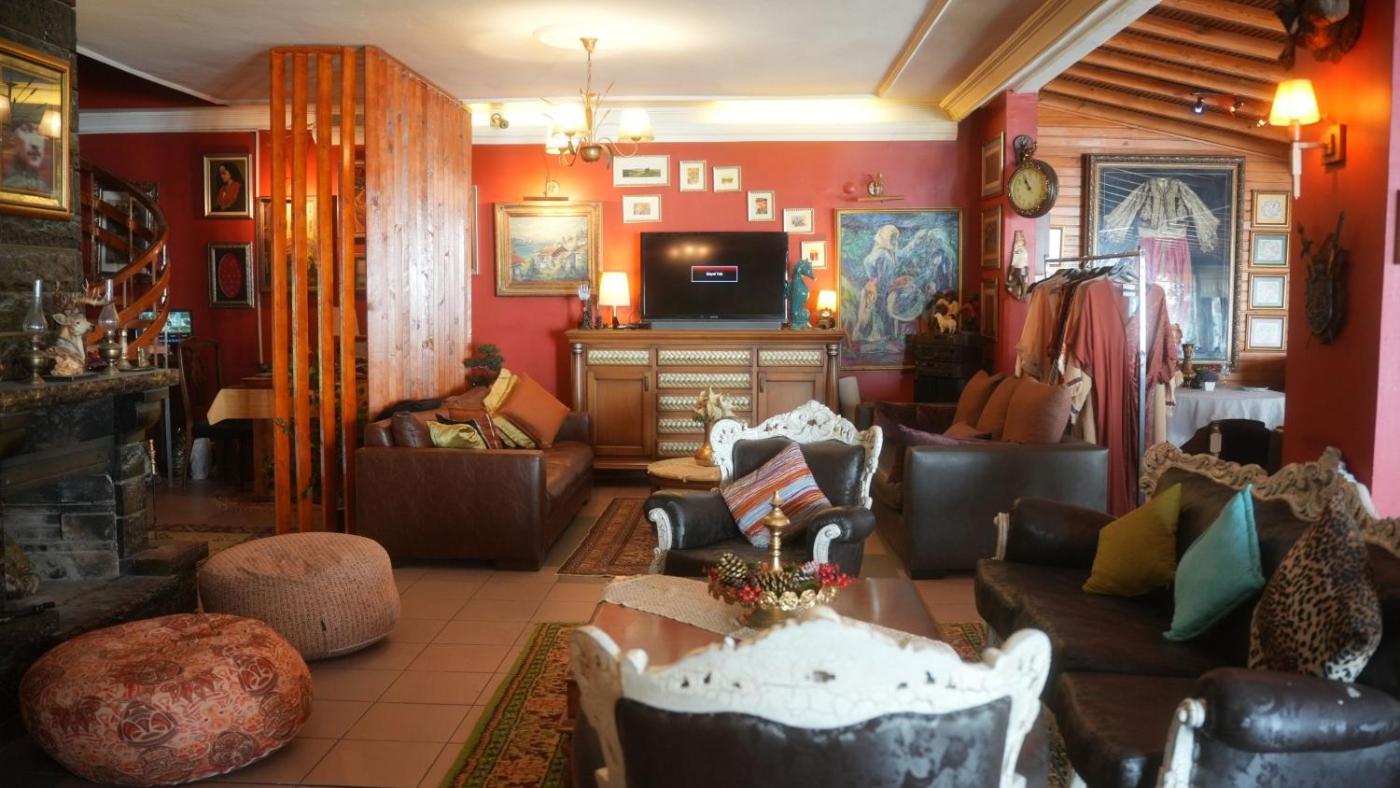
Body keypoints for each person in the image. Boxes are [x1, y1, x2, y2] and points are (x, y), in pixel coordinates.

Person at [1, 104, 53, 194]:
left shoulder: (47, 190)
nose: (35, 144)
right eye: (27, 130)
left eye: (40, 132)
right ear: (12, 139)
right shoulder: (7, 187)